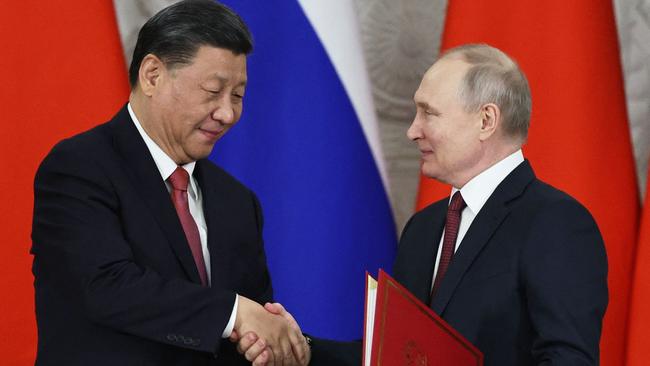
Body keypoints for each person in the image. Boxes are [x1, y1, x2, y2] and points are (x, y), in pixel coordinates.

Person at [241, 43, 609, 365]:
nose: (413, 130)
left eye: (428, 113)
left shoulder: (556, 222)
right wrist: (299, 346)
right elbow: (392, 356)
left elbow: (567, 359)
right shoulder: (425, 227)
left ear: (486, 120)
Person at [31, 1, 309, 365]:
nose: (227, 113)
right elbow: (105, 287)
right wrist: (234, 312)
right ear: (152, 75)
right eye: (213, 90)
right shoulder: (79, 168)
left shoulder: (238, 202)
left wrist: (273, 342)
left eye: (238, 96)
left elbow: (247, 327)